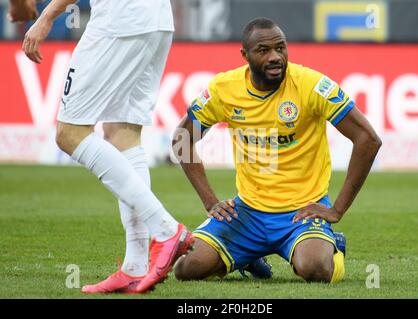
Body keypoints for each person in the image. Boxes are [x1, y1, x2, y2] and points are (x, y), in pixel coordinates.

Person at [172, 17, 382, 283]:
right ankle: (249, 256)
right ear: (244, 55)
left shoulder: (310, 84)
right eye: (264, 50)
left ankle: (331, 244)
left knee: (316, 269)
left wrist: (337, 209)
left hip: (302, 212)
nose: (275, 57)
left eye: (280, 48)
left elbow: (368, 139)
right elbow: (182, 138)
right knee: (186, 269)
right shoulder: (224, 90)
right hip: (247, 212)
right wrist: (210, 201)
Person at [22, 0, 193, 294]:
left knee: (70, 133)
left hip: (120, 20)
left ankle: (166, 229)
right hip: (157, 21)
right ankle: (135, 266)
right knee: (122, 132)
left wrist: (47, 15)